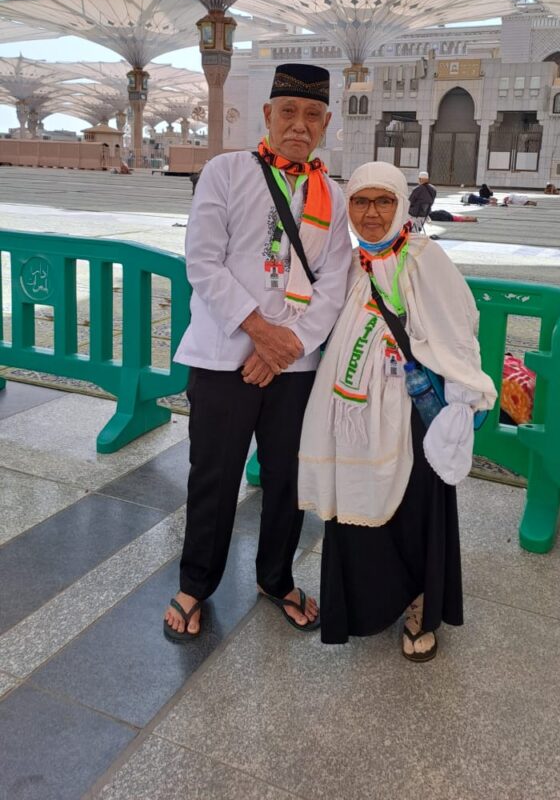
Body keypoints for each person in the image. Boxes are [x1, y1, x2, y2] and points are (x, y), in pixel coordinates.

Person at [163, 63, 352, 641]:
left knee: (288, 480)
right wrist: (260, 334)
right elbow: (203, 261)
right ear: (268, 115)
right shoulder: (226, 172)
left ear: (325, 124)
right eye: (288, 112)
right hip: (225, 358)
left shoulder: (332, 196)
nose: (300, 125)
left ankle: (276, 577)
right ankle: (196, 583)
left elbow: (334, 284)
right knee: (214, 476)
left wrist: (283, 347)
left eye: (312, 115)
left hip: (294, 366)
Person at [298, 162, 496, 660]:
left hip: (411, 411)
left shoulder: (424, 258)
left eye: (383, 201)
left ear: (401, 205)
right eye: (360, 202)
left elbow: (458, 330)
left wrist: (461, 394)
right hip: (352, 412)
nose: (371, 213)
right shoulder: (347, 263)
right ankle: (368, 602)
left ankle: (420, 606)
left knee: (415, 509)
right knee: (359, 503)